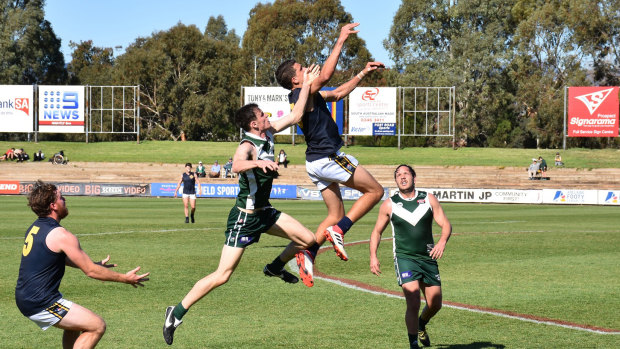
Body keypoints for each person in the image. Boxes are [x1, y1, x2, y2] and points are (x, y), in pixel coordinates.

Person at [162, 64, 321, 345]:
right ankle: (176, 313)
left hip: (266, 213)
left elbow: (297, 114)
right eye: (262, 115)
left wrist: (306, 82)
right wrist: (258, 162)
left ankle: (274, 267)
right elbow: (236, 164)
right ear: (252, 124)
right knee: (222, 275)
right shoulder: (246, 145)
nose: (266, 116)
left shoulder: (269, 132)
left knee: (308, 239)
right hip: (244, 218)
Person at [276, 22, 385, 271]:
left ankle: (306, 255)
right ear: (295, 79)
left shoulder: (305, 95)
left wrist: (362, 73)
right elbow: (325, 76)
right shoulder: (302, 92)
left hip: (315, 163)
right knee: (375, 192)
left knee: (334, 213)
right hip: (328, 156)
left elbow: (336, 93)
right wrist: (341, 39)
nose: (307, 70)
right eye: (302, 69)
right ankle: (340, 231)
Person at [15, 181, 149, 349]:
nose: (65, 200)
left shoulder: (35, 227)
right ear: (53, 205)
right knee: (97, 326)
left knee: (77, 325)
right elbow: (91, 272)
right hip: (40, 302)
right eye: (61, 197)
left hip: (26, 297)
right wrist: (125, 278)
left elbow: (55, 257)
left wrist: (91, 264)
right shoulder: (61, 235)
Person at [369, 165, 452, 349]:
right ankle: (413, 343)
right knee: (413, 300)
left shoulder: (428, 199)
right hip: (404, 258)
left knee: (435, 303)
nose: (402, 177)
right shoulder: (389, 204)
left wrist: (442, 242)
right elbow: (376, 232)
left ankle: (422, 324)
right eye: (398, 175)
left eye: (406, 173)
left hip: (428, 257)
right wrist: (373, 256)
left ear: (414, 177)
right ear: (396, 180)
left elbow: (445, 224)